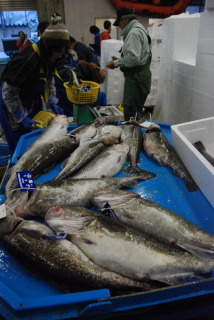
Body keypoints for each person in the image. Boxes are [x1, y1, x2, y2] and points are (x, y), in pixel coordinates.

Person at [0, 14, 70, 153]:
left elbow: (49, 81)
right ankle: (20, 172)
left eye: (62, 52)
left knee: (38, 139)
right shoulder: (28, 60)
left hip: (31, 101)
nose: (60, 56)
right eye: (58, 52)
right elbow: (8, 93)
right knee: (20, 143)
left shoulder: (50, 58)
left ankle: (38, 165)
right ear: (49, 48)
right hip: (11, 106)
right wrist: (21, 117)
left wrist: (52, 101)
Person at [106, 7, 152, 121]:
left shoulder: (133, 33)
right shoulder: (140, 29)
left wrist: (116, 63)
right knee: (135, 110)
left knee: (131, 113)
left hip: (136, 78)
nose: (119, 26)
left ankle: (133, 136)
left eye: (119, 23)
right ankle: (135, 134)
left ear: (125, 19)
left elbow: (133, 58)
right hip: (140, 76)